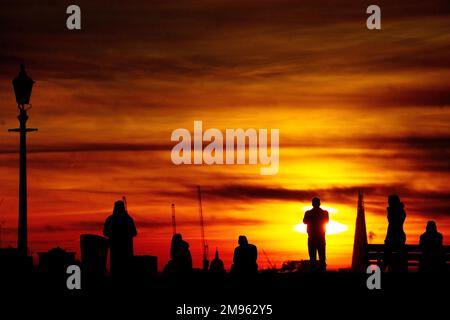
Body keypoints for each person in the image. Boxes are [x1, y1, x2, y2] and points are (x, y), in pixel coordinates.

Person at [103, 200, 137, 276]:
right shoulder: (128, 219)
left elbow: (105, 232)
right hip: (120, 249)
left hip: (119, 249)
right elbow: (134, 233)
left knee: (118, 270)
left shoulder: (111, 219)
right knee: (122, 270)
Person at [303, 197, 329, 271]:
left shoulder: (309, 213)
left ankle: (316, 273)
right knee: (319, 257)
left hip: (315, 237)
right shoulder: (324, 213)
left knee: (314, 258)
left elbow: (305, 221)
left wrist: (312, 220)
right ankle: (320, 272)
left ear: (312, 204)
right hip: (317, 237)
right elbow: (305, 221)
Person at [383, 195, 407, 271]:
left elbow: (392, 222)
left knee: (387, 255)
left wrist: (390, 210)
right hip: (399, 238)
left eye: (389, 202)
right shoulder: (401, 211)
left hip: (393, 238)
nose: (388, 203)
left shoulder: (394, 212)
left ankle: (384, 269)